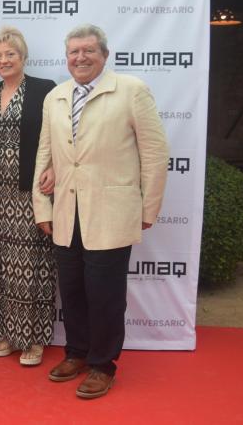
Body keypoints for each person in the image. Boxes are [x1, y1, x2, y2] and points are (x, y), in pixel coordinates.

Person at [33, 23, 169, 399]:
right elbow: (46, 153)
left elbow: (155, 153)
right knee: (72, 290)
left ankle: (102, 365)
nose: (80, 57)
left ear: (104, 55)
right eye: (73, 52)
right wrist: (42, 206)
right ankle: (77, 352)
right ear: (66, 57)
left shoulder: (131, 90)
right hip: (67, 211)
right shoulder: (56, 97)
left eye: (88, 50)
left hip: (112, 211)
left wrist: (148, 207)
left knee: (105, 295)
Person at [0, 27, 58, 367]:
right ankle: (4, 332)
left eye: (10, 54)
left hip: (28, 193)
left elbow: (58, 135)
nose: (4, 60)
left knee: (29, 266)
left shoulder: (44, 90)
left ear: (23, 57)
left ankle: (33, 337)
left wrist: (54, 167)